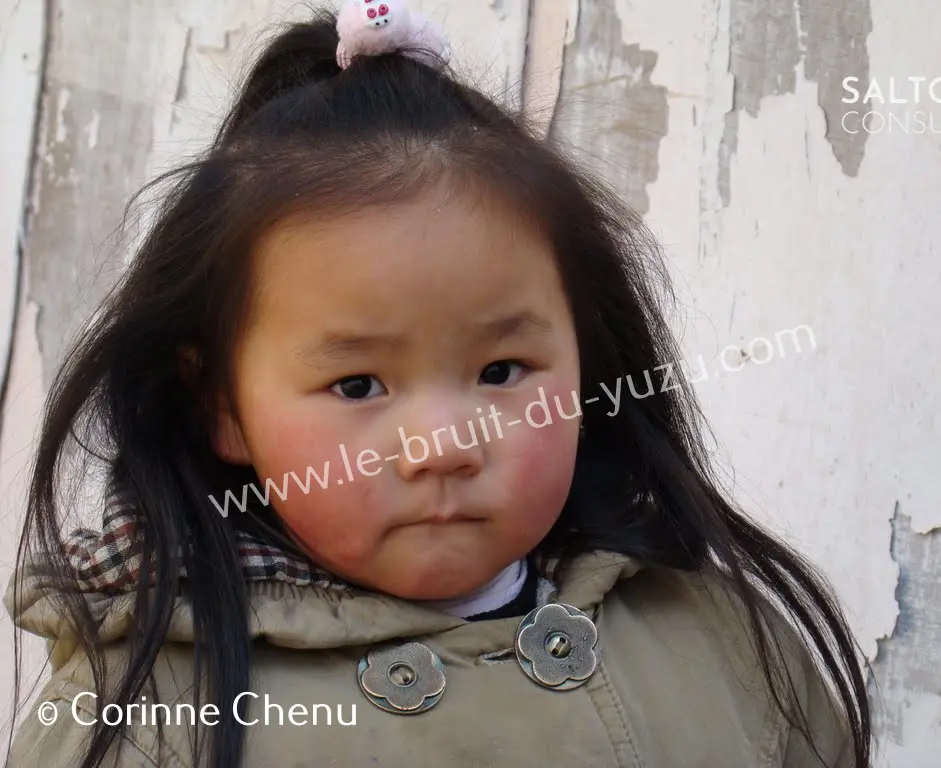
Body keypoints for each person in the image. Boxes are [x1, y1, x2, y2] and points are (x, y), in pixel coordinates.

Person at [4, 3, 871, 766]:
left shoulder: (726, 649)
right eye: (357, 385)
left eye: (501, 372)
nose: (445, 446)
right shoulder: (143, 714)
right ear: (221, 408)